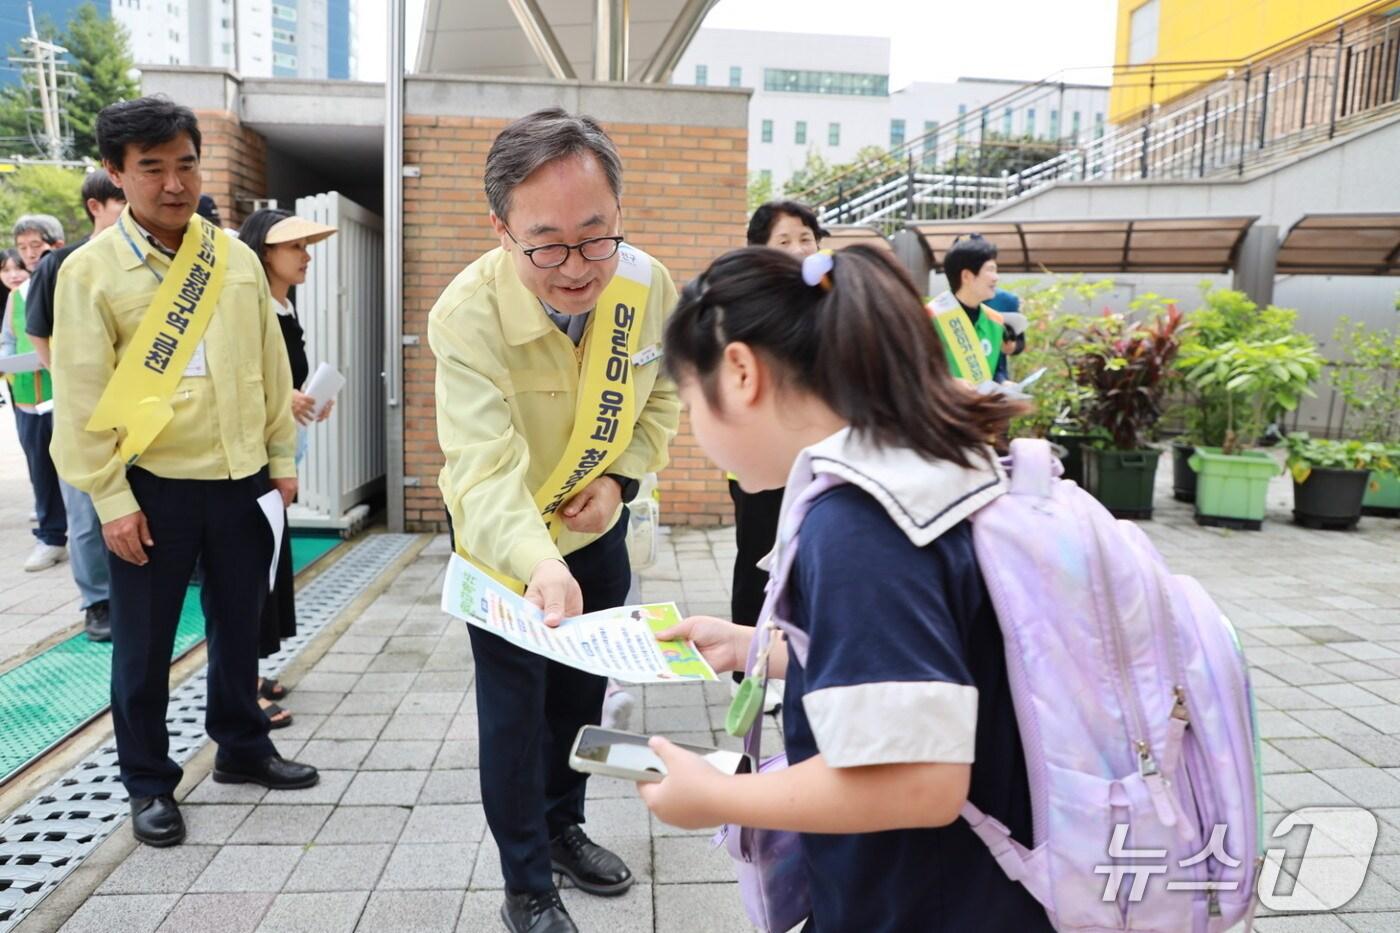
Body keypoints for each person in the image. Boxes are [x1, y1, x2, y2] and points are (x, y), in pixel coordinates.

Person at [634, 245, 1053, 932]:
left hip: (930, 906)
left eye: (688, 400)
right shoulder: (918, 466)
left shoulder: (859, 522)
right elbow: (941, 657)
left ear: (739, 372)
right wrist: (754, 647)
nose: (693, 429)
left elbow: (918, 779)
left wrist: (717, 795)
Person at [430, 107, 680, 933]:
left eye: (596, 236)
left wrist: (620, 481)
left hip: (595, 528)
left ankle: (564, 824)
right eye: (547, 245)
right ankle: (525, 882)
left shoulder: (646, 285)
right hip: (507, 552)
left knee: (580, 698)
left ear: (620, 214)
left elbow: (664, 396)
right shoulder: (466, 315)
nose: (576, 268)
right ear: (500, 229)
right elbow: (481, 470)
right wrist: (539, 562)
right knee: (514, 717)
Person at [50, 95, 318, 849]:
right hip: (149, 489)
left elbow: (270, 371)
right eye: (152, 168)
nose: (174, 184)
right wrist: (110, 499)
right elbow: (81, 397)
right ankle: (148, 782)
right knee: (144, 644)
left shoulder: (232, 257)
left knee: (241, 625)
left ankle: (241, 745)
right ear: (115, 172)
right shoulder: (89, 272)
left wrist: (280, 462)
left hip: (241, 481)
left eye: (186, 165)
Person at [236, 207, 339, 727]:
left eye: (306, 246)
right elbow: (241, 383)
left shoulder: (283, 307)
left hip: (279, 457)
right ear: (264, 251)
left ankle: (251, 674)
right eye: (295, 247)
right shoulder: (249, 309)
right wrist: (286, 399)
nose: (306, 256)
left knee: (269, 566)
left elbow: (282, 384)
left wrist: (307, 400)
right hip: (253, 463)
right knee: (249, 571)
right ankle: (240, 688)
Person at [727, 200, 827, 713]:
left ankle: (794, 660)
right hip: (761, 462)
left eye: (805, 238)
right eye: (783, 241)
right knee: (758, 564)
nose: (798, 249)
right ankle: (746, 669)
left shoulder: (828, 299)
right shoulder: (745, 304)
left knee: (806, 565)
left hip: (815, 458)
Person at [22, 170, 128, 640]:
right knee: (86, 510)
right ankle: (97, 602)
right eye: (121, 200)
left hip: (136, 407)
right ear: (95, 207)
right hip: (83, 409)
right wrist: (68, 383)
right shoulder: (62, 264)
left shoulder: (141, 260)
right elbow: (38, 331)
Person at [4, 215, 68, 572]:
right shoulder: (17, 296)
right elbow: (8, 340)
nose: (29, 254)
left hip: (65, 397)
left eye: (35, 246)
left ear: (55, 245)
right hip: (28, 399)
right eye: (22, 247)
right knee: (40, 470)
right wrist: (8, 362)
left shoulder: (70, 283)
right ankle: (51, 537)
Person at [929, 232, 1008, 384]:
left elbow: (997, 371)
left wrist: (1004, 383)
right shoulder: (930, 318)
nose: (996, 277)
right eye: (990, 270)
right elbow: (913, 373)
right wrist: (950, 384)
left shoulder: (995, 321)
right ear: (966, 276)